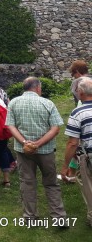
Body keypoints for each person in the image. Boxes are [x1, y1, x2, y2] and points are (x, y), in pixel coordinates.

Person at [6, 77, 67, 221]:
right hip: (46, 151)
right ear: (38, 87)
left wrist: (24, 142)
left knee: (27, 182)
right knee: (51, 183)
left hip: (23, 151)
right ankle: (59, 217)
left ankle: (30, 217)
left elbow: (10, 125)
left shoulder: (14, 103)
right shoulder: (47, 103)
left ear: (25, 87)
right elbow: (55, 129)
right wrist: (38, 144)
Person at [61, 77, 92, 227]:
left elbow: (73, 142)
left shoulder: (78, 112)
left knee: (89, 187)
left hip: (89, 156)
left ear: (80, 93)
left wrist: (66, 165)